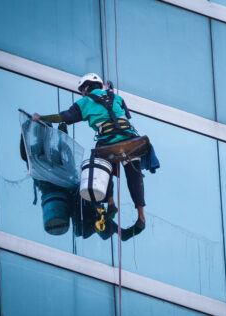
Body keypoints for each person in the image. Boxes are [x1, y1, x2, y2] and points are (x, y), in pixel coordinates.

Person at [32, 73, 148, 240]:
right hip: (132, 139)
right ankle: (141, 216)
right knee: (133, 174)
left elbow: (63, 117)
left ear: (86, 88)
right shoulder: (115, 97)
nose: (82, 94)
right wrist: (110, 91)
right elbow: (121, 114)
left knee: (99, 166)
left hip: (108, 141)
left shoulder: (85, 101)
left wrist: (41, 117)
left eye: (82, 91)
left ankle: (110, 203)